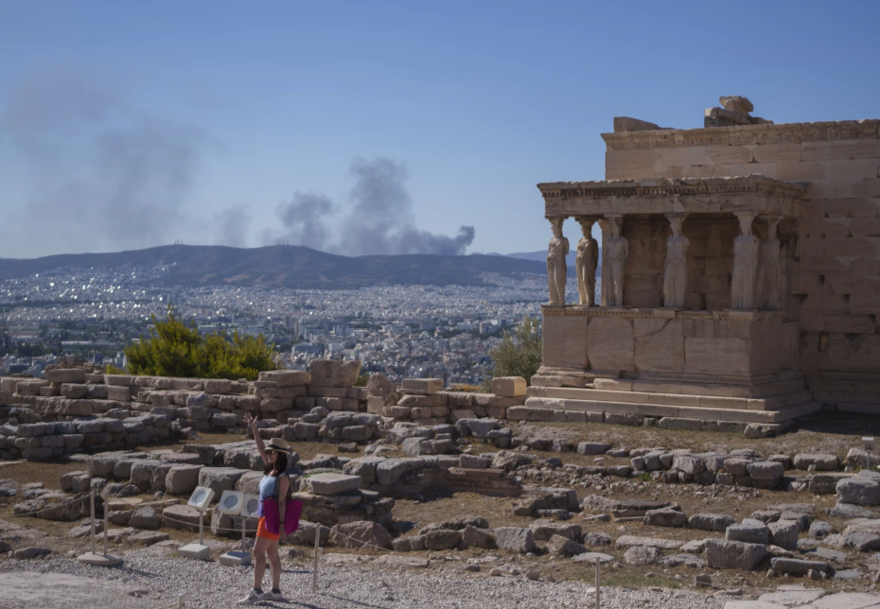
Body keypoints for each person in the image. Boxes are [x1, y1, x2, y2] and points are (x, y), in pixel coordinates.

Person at [239, 413, 291, 605]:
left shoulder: (283, 476)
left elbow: (282, 502)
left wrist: (283, 525)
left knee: (257, 552)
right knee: (272, 554)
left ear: (281, 455)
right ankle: (275, 591)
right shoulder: (270, 470)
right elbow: (260, 447)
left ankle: (257, 591)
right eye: (269, 452)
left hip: (272, 519)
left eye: (273, 452)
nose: (269, 454)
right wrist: (254, 428)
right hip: (266, 518)